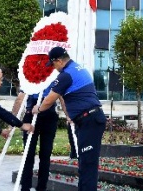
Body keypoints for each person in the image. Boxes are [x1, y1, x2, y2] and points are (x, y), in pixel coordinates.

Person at [32, 47, 106, 191]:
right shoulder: (79, 68)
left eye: (53, 65)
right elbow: (69, 97)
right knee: (85, 162)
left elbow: (49, 100)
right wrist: (70, 115)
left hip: (89, 120)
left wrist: (38, 109)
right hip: (90, 119)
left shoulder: (66, 75)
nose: (53, 68)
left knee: (87, 164)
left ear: (59, 61)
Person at [13, 86, 63, 191]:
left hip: (35, 113)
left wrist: (12, 121)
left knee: (29, 155)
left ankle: (26, 188)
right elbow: (62, 98)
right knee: (44, 155)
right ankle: (40, 188)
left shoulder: (31, 78)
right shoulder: (53, 77)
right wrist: (69, 115)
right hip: (46, 114)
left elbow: (19, 99)